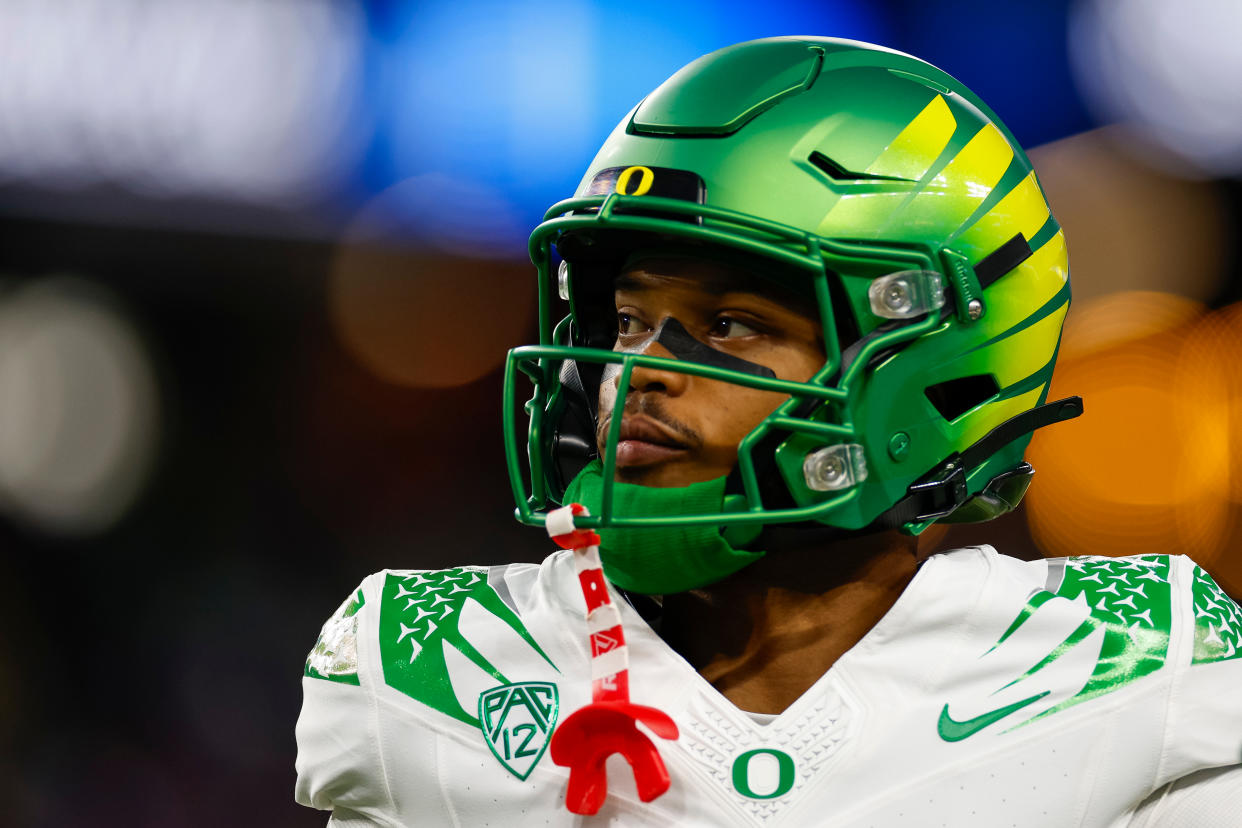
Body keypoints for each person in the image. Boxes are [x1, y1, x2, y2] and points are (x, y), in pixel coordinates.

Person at [295, 37, 1242, 826]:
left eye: (732, 324)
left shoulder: (1131, 662)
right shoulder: (429, 666)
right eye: (626, 321)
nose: (641, 371)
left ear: (934, 372)